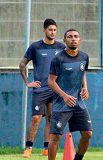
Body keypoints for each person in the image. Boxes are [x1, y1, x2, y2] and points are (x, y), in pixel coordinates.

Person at [19, 18, 65, 158]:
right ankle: (28, 147)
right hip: (40, 90)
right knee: (36, 118)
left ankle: (46, 148)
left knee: (51, 119)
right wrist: (28, 82)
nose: (53, 32)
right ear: (44, 30)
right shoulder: (35, 47)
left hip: (55, 89)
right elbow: (22, 65)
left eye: (55, 30)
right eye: (50, 30)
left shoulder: (62, 47)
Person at [47, 29, 92, 160]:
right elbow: (50, 81)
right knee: (55, 137)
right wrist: (64, 96)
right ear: (64, 40)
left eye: (76, 36)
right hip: (61, 105)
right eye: (70, 37)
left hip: (78, 103)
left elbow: (83, 72)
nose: (73, 39)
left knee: (87, 134)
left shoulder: (84, 57)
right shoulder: (58, 59)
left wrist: (85, 87)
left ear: (80, 39)